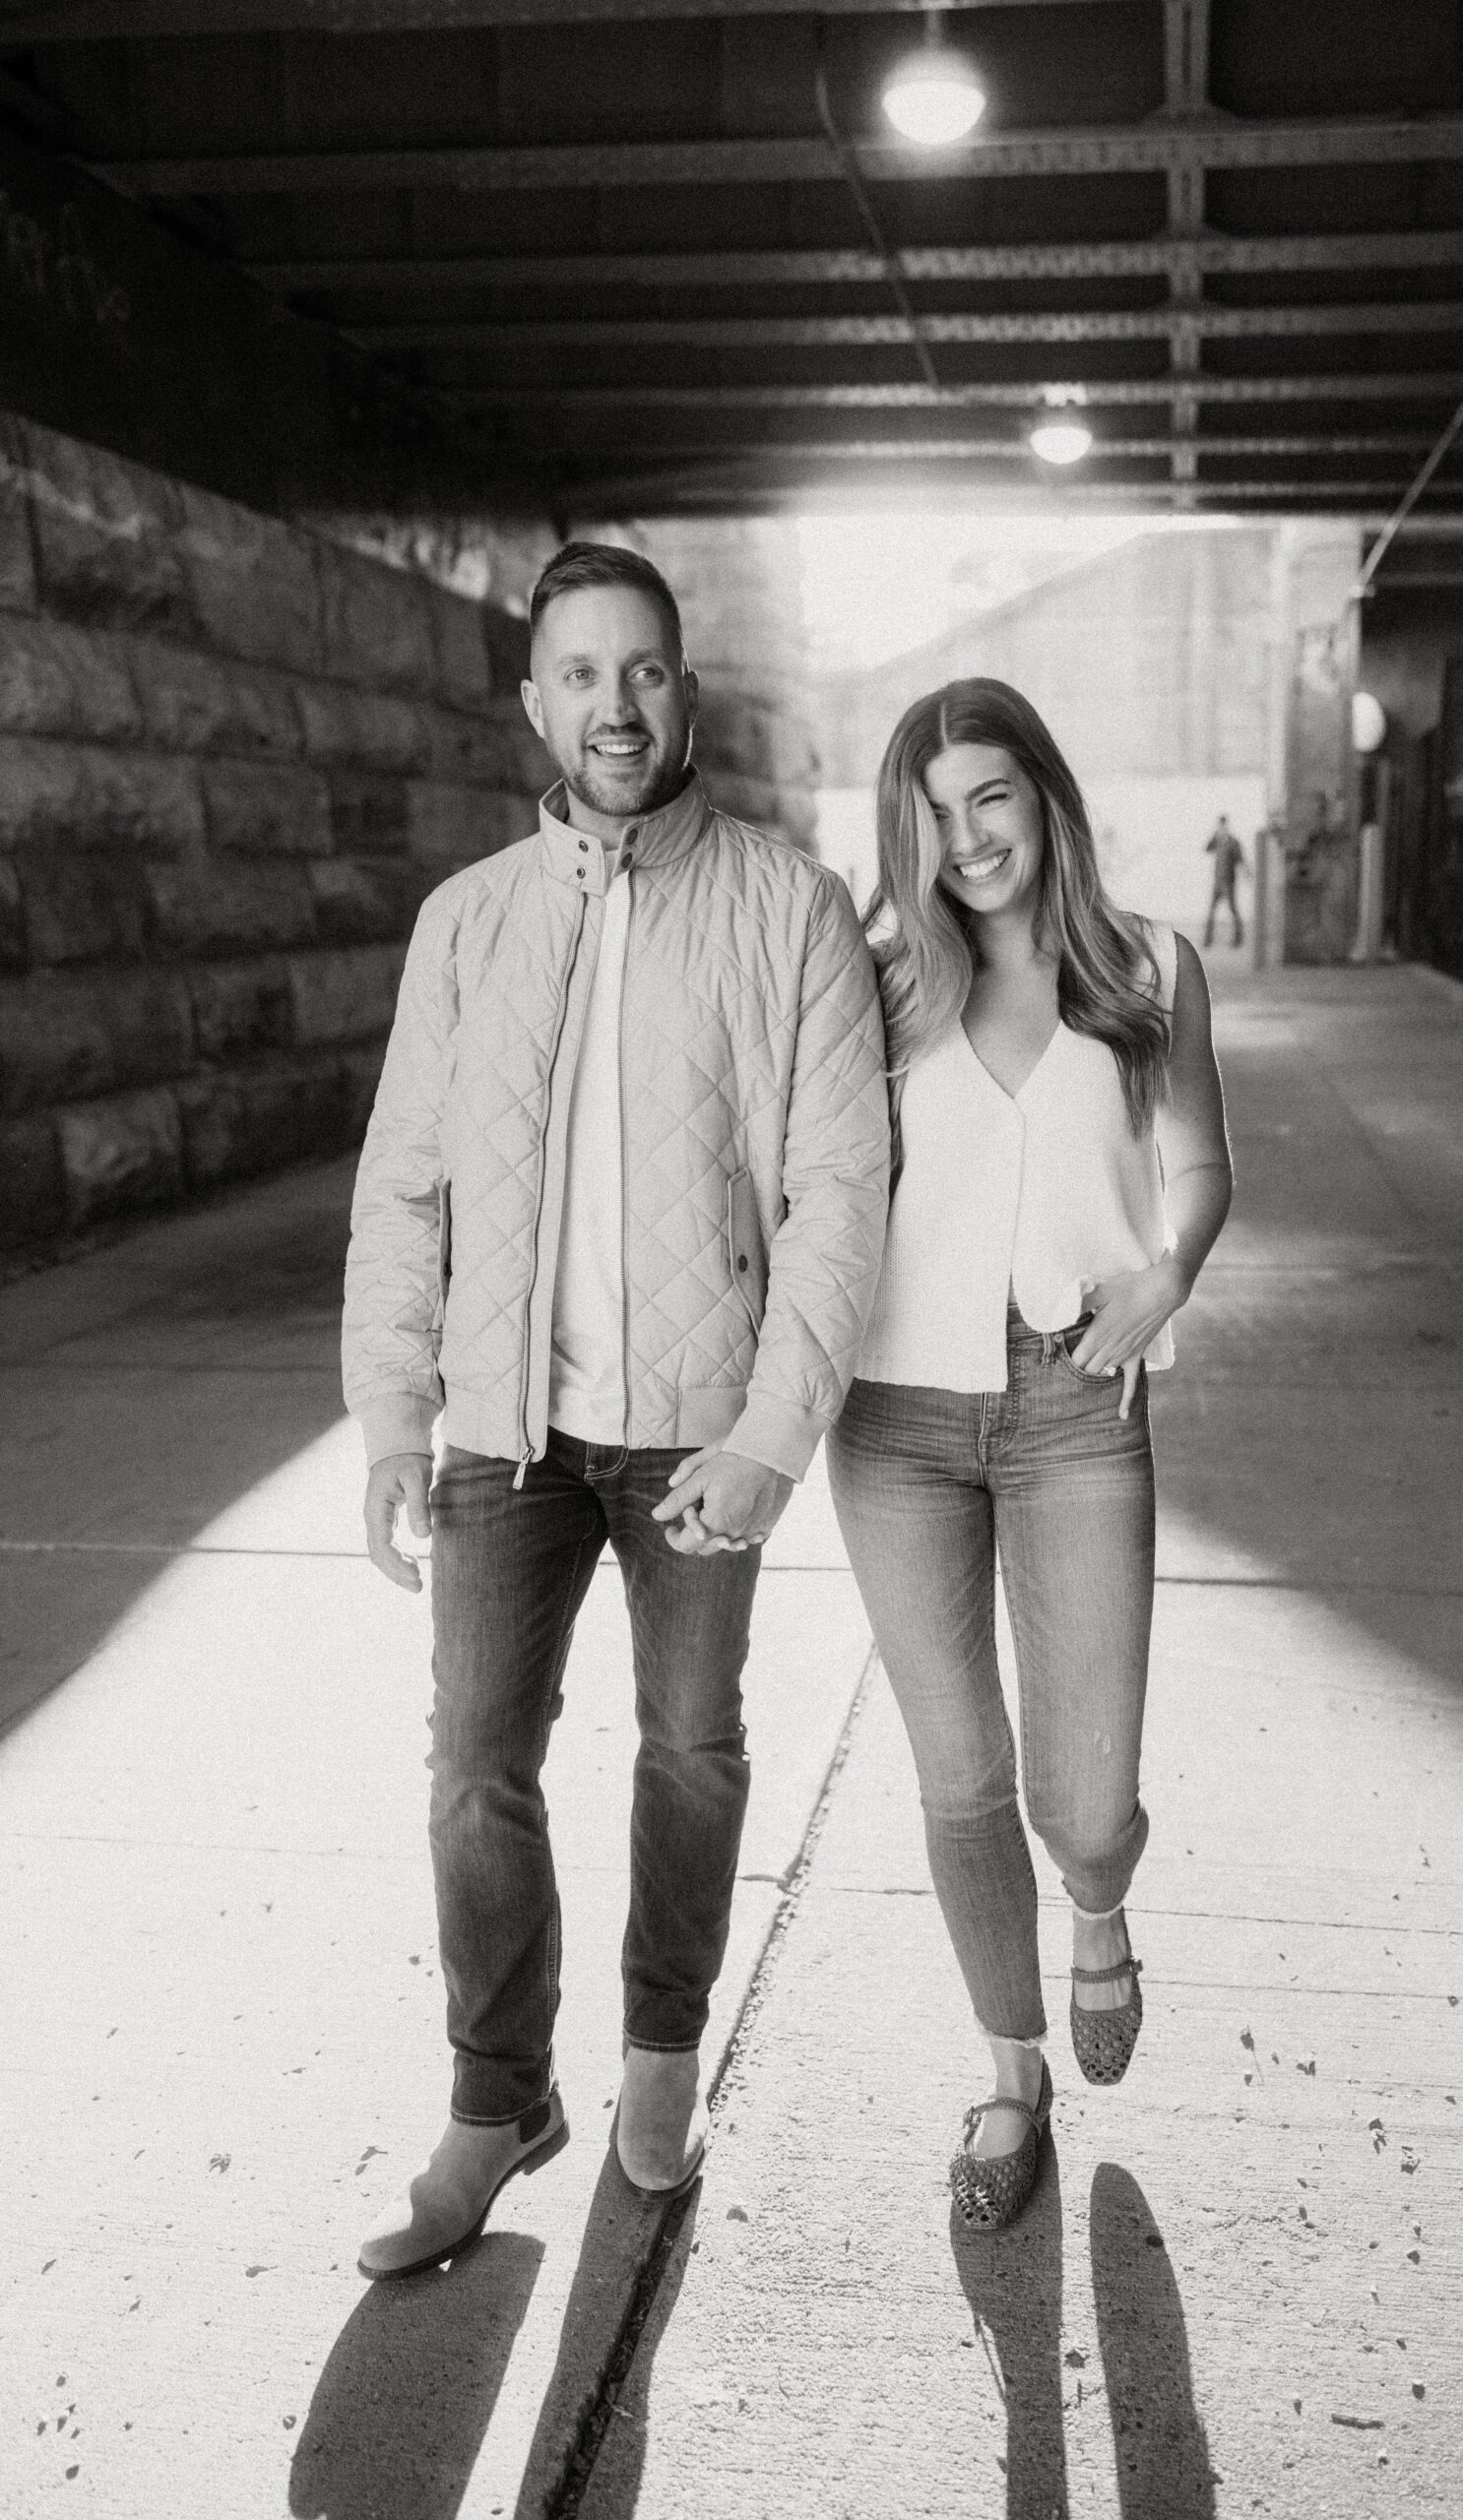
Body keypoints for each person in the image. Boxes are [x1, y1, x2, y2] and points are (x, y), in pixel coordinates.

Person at [343, 541, 888, 2279]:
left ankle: (660, 2052)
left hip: (696, 1427)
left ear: (683, 687)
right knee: (471, 1774)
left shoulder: (785, 907)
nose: (614, 706)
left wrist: (768, 1433)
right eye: (580, 674)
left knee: (691, 1746)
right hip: (505, 1429)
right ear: (535, 701)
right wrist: (388, 1414)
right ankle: (500, 2102)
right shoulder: (468, 923)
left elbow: (835, 1196)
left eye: (641, 670)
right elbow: (404, 1192)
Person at [827, 679, 1232, 2232]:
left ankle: (1101, 1907)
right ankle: (1008, 2074)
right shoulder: (871, 987)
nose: (965, 837)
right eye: (932, 813)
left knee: (1084, 1790)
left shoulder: (1143, 966)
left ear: (1043, 795)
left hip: (1077, 1401)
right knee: (956, 1776)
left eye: (988, 796)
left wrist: (1168, 1265)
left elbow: (1192, 1157)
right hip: (895, 1419)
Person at [1203, 813, 1246, 947]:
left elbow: (1240, 859)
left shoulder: (1233, 842)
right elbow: (1207, 849)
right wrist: (1214, 835)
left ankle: (1238, 940)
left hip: (1229, 882)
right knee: (1211, 911)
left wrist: (1246, 872)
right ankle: (1207, 941)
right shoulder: (1217, 840)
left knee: (1233, 910)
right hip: (1217, 882)